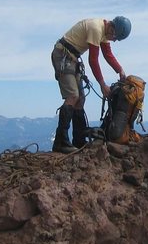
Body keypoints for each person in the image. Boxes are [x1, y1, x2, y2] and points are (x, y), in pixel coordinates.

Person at [51, 16, 131, 152]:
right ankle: (60, 142)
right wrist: (102, 84)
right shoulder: (96, 28)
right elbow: (93, 60)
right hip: (62, 56)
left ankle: (78, 141)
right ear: (112, 29)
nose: (114, 40)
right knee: (73, 96)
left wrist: (120, 71)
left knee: (80, 99)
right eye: (115, 37)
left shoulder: (104, 31)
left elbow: (107, 54)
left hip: (71, 58)